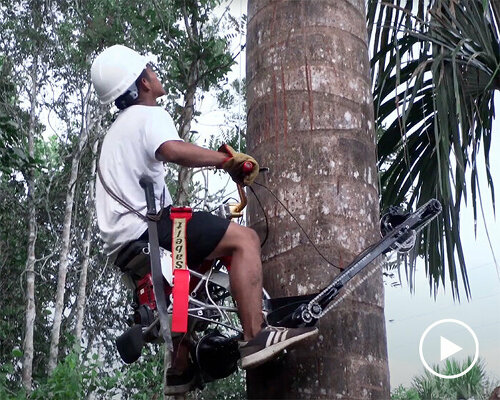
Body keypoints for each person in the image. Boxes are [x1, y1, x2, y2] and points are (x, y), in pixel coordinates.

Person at [91, 44, 318, 394]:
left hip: (127, 244)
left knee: (199, 276)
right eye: (148, 68)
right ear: (142, 84)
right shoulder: (149, 114)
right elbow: (172, 150)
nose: (154, 70)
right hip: (151, 226)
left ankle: (180, 369)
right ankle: (257, 337)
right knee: (244, 241)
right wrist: (225, 160)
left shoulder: (116, 132)